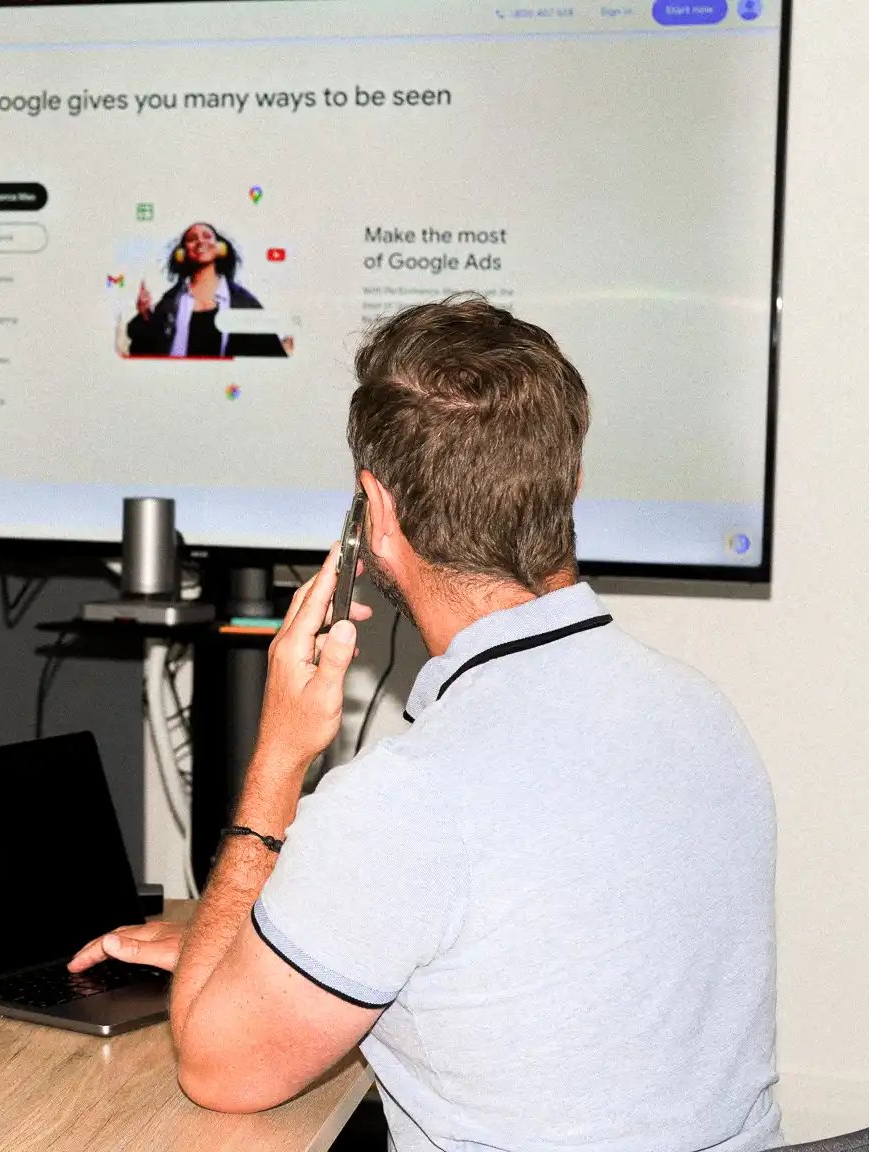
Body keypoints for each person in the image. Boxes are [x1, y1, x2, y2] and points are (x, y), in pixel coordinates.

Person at [71, 295, 782, 1152]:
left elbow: (219, 1071)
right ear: (572, 483)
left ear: (376, 512)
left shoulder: (405, 802)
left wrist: (280, 758)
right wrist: (270, 944)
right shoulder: (702, 714)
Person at [126, 222, 288, 358]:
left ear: (220, 247)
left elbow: (270, 355)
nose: (200, 241)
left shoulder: (244, 301)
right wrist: (145, 316)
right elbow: (143, 354)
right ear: (182, 254)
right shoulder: (169, 303)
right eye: (192, 239)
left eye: (207, 236)